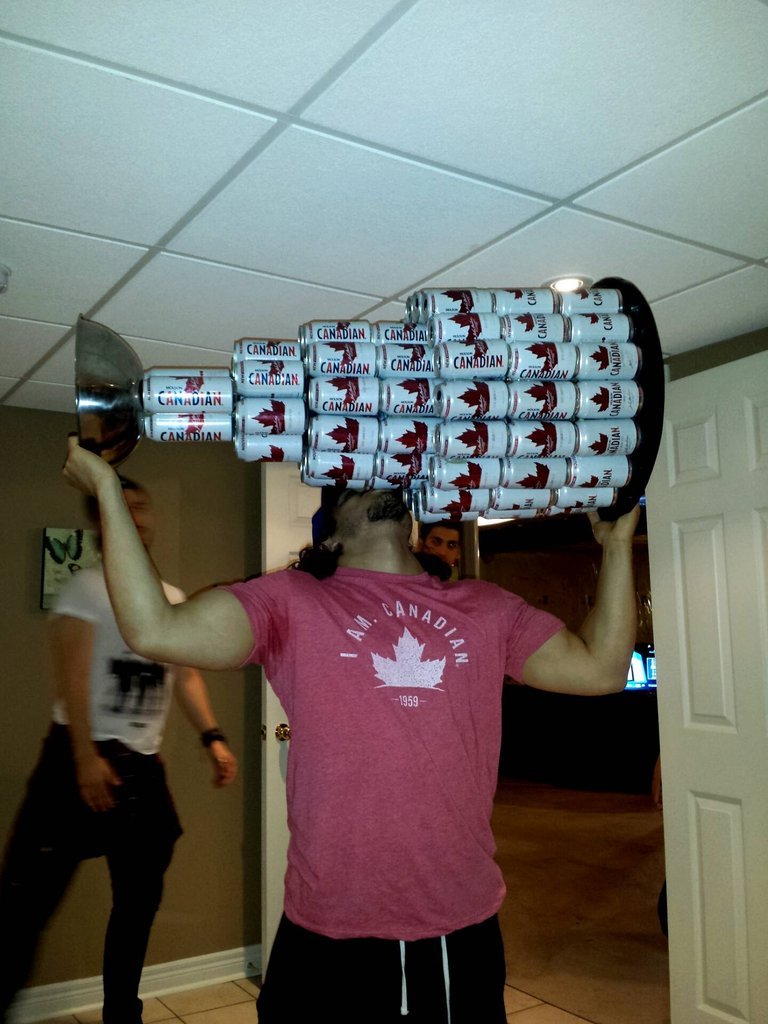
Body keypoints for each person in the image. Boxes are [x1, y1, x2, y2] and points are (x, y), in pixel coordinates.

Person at [61, 436, 639, 1024]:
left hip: (442, 923)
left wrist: (616, 546)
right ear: (328, 532)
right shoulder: (288, 603)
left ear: (412, 515)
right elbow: (155, 629)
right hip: (320, 918)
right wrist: (108, 488)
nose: (376, 478)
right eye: (353, 481)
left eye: (386, 474)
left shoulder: (485, 607)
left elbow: (601, 668)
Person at [0, 475, 238, 1024]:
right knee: (22, 910)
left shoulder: (171, 599)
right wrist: (85, 757)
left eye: (142, 506)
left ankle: (120, 1017)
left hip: (142, 773)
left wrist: (213, 738)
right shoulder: (86, 589)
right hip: (76, 761)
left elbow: (187, 677)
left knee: (136, 909)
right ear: (100, 519)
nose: (137, 516)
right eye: (123, 505)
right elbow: (73, 676)